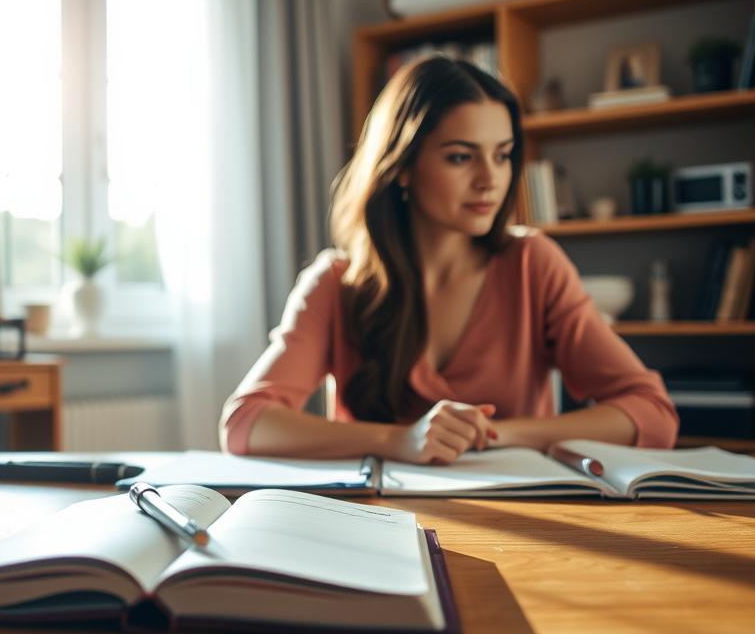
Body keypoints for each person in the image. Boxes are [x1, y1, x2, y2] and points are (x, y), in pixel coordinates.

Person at [220, 56, 677, 465]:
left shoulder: (531, 264)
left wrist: (495, 434)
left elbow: (651, 412)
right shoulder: (336, 283)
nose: (490, 180)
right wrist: (399, 440)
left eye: (502, 156)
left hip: (526, 525)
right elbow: (246, 423)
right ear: (401, 167)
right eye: (461, 157)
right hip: (379, 524)